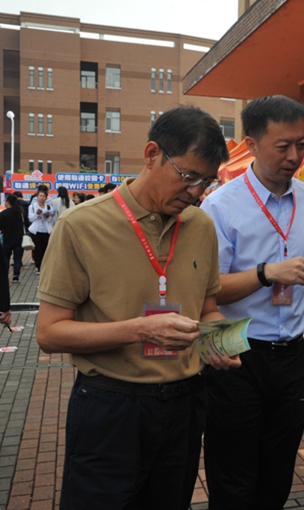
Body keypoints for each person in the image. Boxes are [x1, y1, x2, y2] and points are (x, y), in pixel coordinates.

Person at [35, 106, 240, 510]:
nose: (196, 192)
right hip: (111, 406)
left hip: (185, 403)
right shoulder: (80, 225)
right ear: (151, 154)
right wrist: (141, 330)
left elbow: (208, 309)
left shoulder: (201, 226)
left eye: (206, 181)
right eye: (188, 176)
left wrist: (219, 341)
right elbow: (49, 332)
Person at [200, 95, 304, 510]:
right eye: (283, 146)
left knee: (277, 475)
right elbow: (207, 290)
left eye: (301, 144)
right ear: (251, 144)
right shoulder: (220, 207)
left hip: (292, 358)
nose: (294, 156)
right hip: (236, 357)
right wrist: (266, 273)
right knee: (234, 479)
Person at [28, 189, 56, 275]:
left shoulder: (48, 207)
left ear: (46, 197)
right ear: (37, 196)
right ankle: (38, 266)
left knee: (45, 248)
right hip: (36, 231)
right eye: (40, 196)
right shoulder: (32, 206)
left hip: (46, 230)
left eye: (44, 196)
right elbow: (30, 218)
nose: (42, 198)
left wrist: (47, 216)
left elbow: (51, 220)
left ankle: (45, 266)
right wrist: (37, 214)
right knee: (37, 249)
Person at [0, 195, 26, 283]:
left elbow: (1, 226)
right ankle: (16, 276)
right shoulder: (20, 213)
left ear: (8, 202)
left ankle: (5, 274)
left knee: (6, 257)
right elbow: (26, 224)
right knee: (17, 258)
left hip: (7, 238)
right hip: (19, 237)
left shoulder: (4, 213)